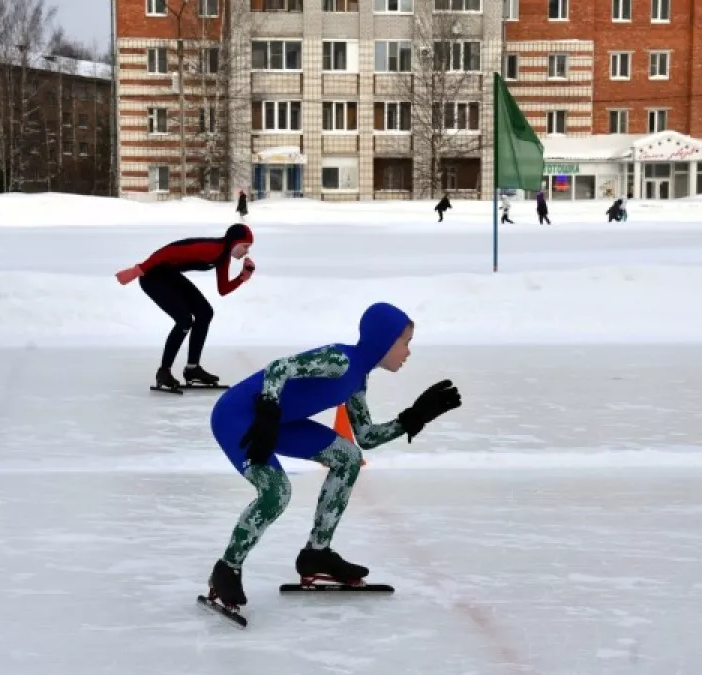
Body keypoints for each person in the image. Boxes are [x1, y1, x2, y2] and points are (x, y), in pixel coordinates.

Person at [203, 302, 462, 609]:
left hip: (277, 421)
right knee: (276, 491)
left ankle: (317, 553)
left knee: (348, 457)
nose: (408, 352)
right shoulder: (340, 360)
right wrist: (269, 409)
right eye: (405, 343)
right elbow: (279, 368)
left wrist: (412, 418)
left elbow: (365, 437)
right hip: (239, 417)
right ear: (385, 340)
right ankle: (227, 568)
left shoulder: (358, 378)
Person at [114, 224, 255, 390]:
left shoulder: (222, 256)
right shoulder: (212, 249)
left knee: (205, 313)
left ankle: (192, 369)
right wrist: (138, 270)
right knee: (185, 320)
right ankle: (164, 371)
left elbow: (223, 289)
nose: (246, 251)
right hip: (152, 276)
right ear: (235, 243)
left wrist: (242, 277)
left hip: (169, 276)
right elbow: (169, 251)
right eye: (245, 246)